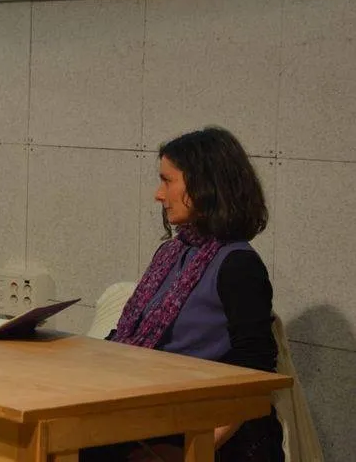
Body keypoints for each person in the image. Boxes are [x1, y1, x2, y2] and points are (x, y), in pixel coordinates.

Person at [83, 127, 283, 462]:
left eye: (167, 181)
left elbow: (256, 373)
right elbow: (136, 337)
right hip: (153, 418)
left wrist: (191, 451)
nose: (158, 195)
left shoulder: (238, 264)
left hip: (206, 435)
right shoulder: (173, 253)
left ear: (205, 185)